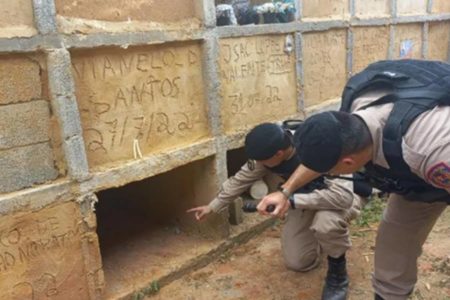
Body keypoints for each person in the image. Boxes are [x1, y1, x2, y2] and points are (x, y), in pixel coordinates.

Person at [257, 60, 450, 300]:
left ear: (348, 164)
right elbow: (327, 153)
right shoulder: (354, 111)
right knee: (393, 251)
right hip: (415, 178)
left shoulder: (430, 151)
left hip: (434, 152)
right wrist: (286, 191)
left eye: (330, 171)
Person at [187, 122, 369, 300]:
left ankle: (338, 273)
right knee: (298, 262)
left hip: (343, 197)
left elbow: (342, 197)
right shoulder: (269, 152)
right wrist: (213, 206)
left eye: (262, 160)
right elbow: (240, 179)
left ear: (279, 153)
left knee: (326, 224)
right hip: (304, 200)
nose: (259, 163)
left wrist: (291, 201)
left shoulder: (320, 145)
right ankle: (322, 238)